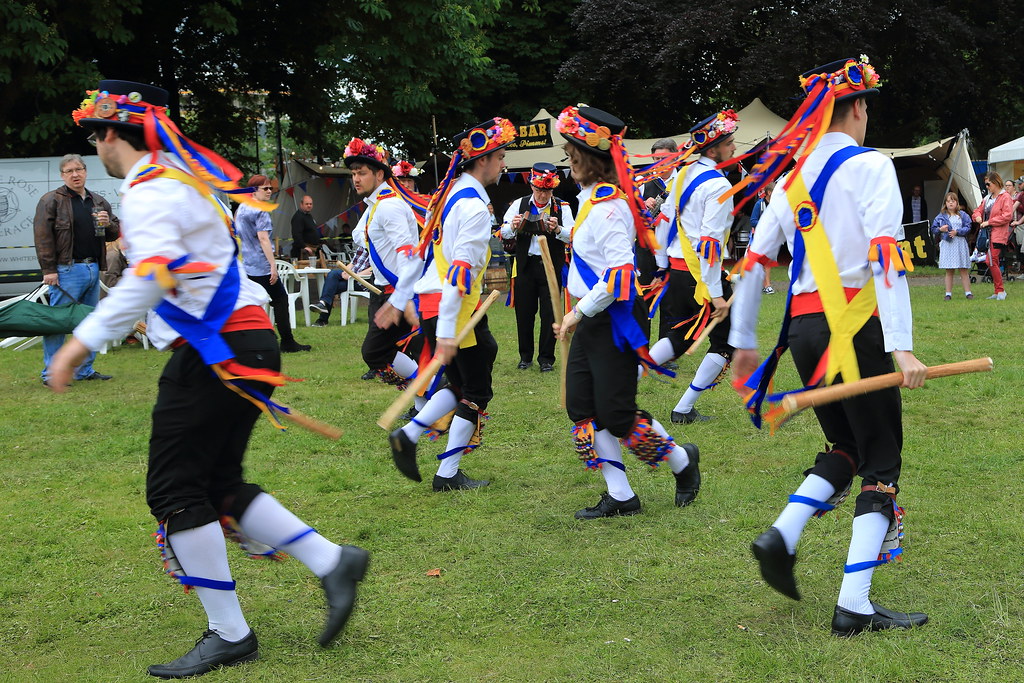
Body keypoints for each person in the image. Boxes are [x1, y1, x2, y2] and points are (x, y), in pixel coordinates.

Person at [50, 80, 368, 677]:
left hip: (217, 350)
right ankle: (333, 562)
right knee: (217, 482)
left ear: (111, 133)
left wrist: (80, 342)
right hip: (243, 339)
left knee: (174, 491)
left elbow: (149, 277)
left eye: (95, 135)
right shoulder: (181, 180)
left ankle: (231, 632)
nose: (96, 147)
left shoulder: (150, 189)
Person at [727, 57, 929, 637]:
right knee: (881, 459)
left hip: (806, 333)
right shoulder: (870, 166)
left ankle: (783, 534)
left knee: (846, 443)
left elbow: (756, 261)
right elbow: (886, 254)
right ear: (858, 108)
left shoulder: (791, 178)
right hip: (856, 327)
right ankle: (854, 604)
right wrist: (903, 347)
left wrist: (743, 341)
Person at [552, 104, 700, 519]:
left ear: (588, 158)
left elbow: (619, 275)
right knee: (582, 407)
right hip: (592, 319)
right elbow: (592, 250)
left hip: (614, 322)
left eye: (571, 153)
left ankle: (682, 463)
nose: (568, 160)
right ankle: (621, 496)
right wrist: (554, 231)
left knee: (617, 414)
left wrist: (576, 313)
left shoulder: (610, 206)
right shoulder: (589, 201)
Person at [382, 117, 515, 491]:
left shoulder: (451, 194)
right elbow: (458, 273)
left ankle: (410, 438)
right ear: (483, 159)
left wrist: (401, 297)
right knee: (476, 390)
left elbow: (423, 252)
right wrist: (444, 334)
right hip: (451, 307)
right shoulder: (472, 207)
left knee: (465, 379)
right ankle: (445, 472)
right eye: (501, 156)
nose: (503, 164)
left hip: (436, 303)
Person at [648, 109, 740, 424]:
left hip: (676, 272)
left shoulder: (682, 175)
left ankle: (618, 387)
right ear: (714, 149)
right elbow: (711, 244)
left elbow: (662, 222)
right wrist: (716, 294)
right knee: (727, 341)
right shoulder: (718, 185)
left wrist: (662, 267)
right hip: (702, 277)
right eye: (730, 143)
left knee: (677, 338)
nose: (735, 148)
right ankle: (683, 409)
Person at [336, 138, 424, 395]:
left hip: (397, 291)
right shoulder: (377, 205)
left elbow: (407, 252)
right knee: (399, 350)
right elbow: (358, 235)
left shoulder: (389, 206)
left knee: (375, 352)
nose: (356, 179)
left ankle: (431, 388)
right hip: (385, 288)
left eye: (362, 173)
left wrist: (403, 298)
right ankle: (424, 400)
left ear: (379, 174)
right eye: (353, 173)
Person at [33, 153, 120, 384]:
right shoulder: (50, 200)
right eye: (69, 171)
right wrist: (48, 270)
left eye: (78, 169)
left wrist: (108, 223)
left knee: (89, 322)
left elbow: (114, 233)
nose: (75, 174)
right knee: (58, 322)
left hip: (93, 267)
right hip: (66, 270)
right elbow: (42, 238)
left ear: (85, 171)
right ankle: (51, 374)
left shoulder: (98, 201)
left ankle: (84, 371)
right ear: (62, 175)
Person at [500, 162, 573, 371]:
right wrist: (512, 226)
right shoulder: (519, 204)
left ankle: (547, 359)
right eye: (540, 190)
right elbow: (503, 231)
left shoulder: (562, 207)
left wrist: (558, 229)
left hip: (551, 265)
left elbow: (573, 235)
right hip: (525, 264)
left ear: (553, 188)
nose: (543, 195)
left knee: (550, 313)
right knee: (524, 312)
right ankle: (525, 357)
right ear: (532, 186)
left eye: (547, 190)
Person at [236, 174, 311, 352]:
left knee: (252, 303)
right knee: (280, 299)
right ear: (254, 190)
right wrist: (272, 265)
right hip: (260, 265)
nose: (270, 191)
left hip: (245, 264)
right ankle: (287, 342)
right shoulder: (261, 210)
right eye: (266, 188)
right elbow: (263, 239)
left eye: (271, 188)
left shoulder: (241, 208)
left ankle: (251, 341)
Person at [640, 138, 680, 342]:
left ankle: (664, 352)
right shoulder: (643, 183)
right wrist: (641, 206)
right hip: (646, 251)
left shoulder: (684, 181)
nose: (658, 164)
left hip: (674, 249)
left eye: (663, 159)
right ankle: (642, 351)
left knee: (670, 303)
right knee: (643, 301)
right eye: (655, 159)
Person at [309, 244, 372, 327]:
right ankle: (323, 305)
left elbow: (373, 269)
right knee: (332, 282)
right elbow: (353, 263)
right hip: (351, 277)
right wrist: (346, 271)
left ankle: (322, 317)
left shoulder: (379, 248)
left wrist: (353, 276)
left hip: (363, 282)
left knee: (332, 281)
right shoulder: (363, 246)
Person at [972, 171, 1013, 300]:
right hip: (987, 235)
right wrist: (977, 216)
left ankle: (1000, 291)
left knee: (991, 260)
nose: (987, 187)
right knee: (990, 261)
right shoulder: (987, 198)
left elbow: (1007, 216)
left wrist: (989, 222)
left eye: (988, 184)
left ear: (995, 182)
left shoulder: (1005, 197)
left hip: (998, 234)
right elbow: (977, 210)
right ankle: (998, 291)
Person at [930, 192, 973, 299]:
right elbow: (933, 229)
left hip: (960, 243)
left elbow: (968, 227)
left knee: (963, 269)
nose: (950, 203)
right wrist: (941, 229)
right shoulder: (941, 216)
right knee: (949, 270)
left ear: (956, 202)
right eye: (948, 201)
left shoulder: (963, 215)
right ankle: (948, 294)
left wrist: (957, 232)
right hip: (948, 244)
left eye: (953, 201)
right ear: (945, 203)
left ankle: (968, 292)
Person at [749, 182, 776, 294]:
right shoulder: (759, 204)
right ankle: (766, 285)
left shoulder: (777, 205)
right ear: (769, 192)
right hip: (760, 237)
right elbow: (753, 220)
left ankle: (765, 285)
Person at [290, 194, 321, 260]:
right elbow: (296, 234)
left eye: (310, 204)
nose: (309, 206)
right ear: (301, 204)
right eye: (307, 204)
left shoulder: (308, 216)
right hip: (303, 251)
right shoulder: (298, 217)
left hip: (312, 249)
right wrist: (304, 247)